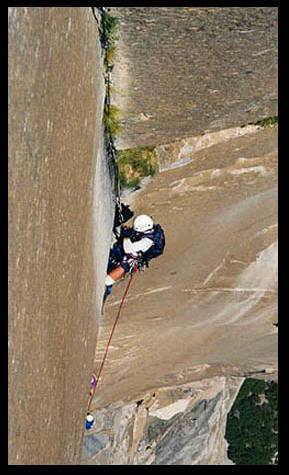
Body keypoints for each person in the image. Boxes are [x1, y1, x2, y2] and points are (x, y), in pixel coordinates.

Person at [103, 214, 165, 304]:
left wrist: (126, 237)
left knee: (127, 262)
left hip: (136, 255)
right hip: (139, 250)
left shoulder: (147, 241)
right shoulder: (150, 231)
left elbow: (128, 249)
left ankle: (107, 283)